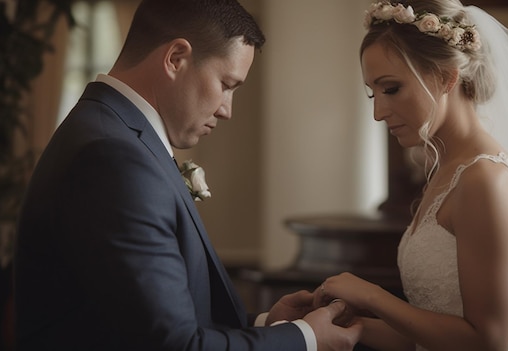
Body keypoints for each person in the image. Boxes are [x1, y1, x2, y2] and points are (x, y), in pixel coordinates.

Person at [13, 0, 361, 350]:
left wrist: (268, 325)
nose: (227, 110)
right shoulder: (112, 156)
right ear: (176, 58)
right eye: (226, 84)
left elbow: (137, 320)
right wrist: (305, 339)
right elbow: (173, 344)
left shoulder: (111, 134)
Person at [313, 1, 508, 350]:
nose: (378, 112)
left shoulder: (486, 181)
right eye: (373, 93)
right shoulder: (449, 171)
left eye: (391, 89)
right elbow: (430, 333)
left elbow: (487, 340)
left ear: (446, 77)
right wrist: (346, 325)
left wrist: (371, 296)